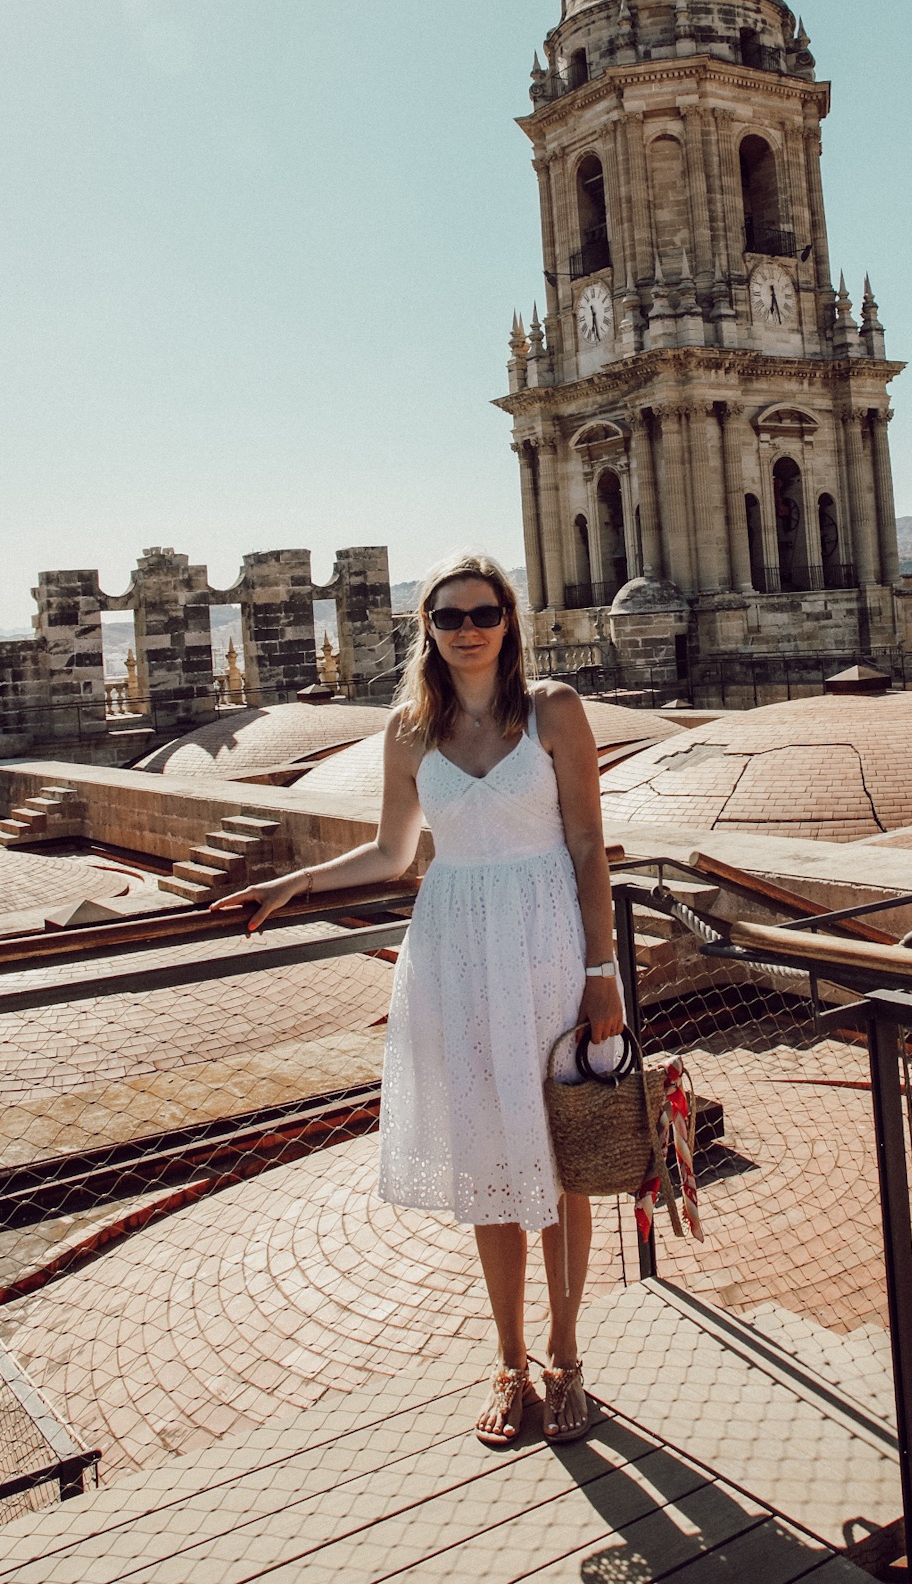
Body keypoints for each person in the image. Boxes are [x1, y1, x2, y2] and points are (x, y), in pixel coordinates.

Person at [215, 554, 625, 1448]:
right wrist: (296, 884)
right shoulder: (408, 730)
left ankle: (564, 1359)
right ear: (428, 629)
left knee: (556, 1160)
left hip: (547, 943)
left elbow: (590, 846)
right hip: (454, 954)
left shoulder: (553, 709)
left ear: (509, 620)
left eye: (483, 612)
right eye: (448, 617)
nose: (467, 628)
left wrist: (604, 972)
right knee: (487, 1157)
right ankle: (508, 1363)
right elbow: (393, 853)